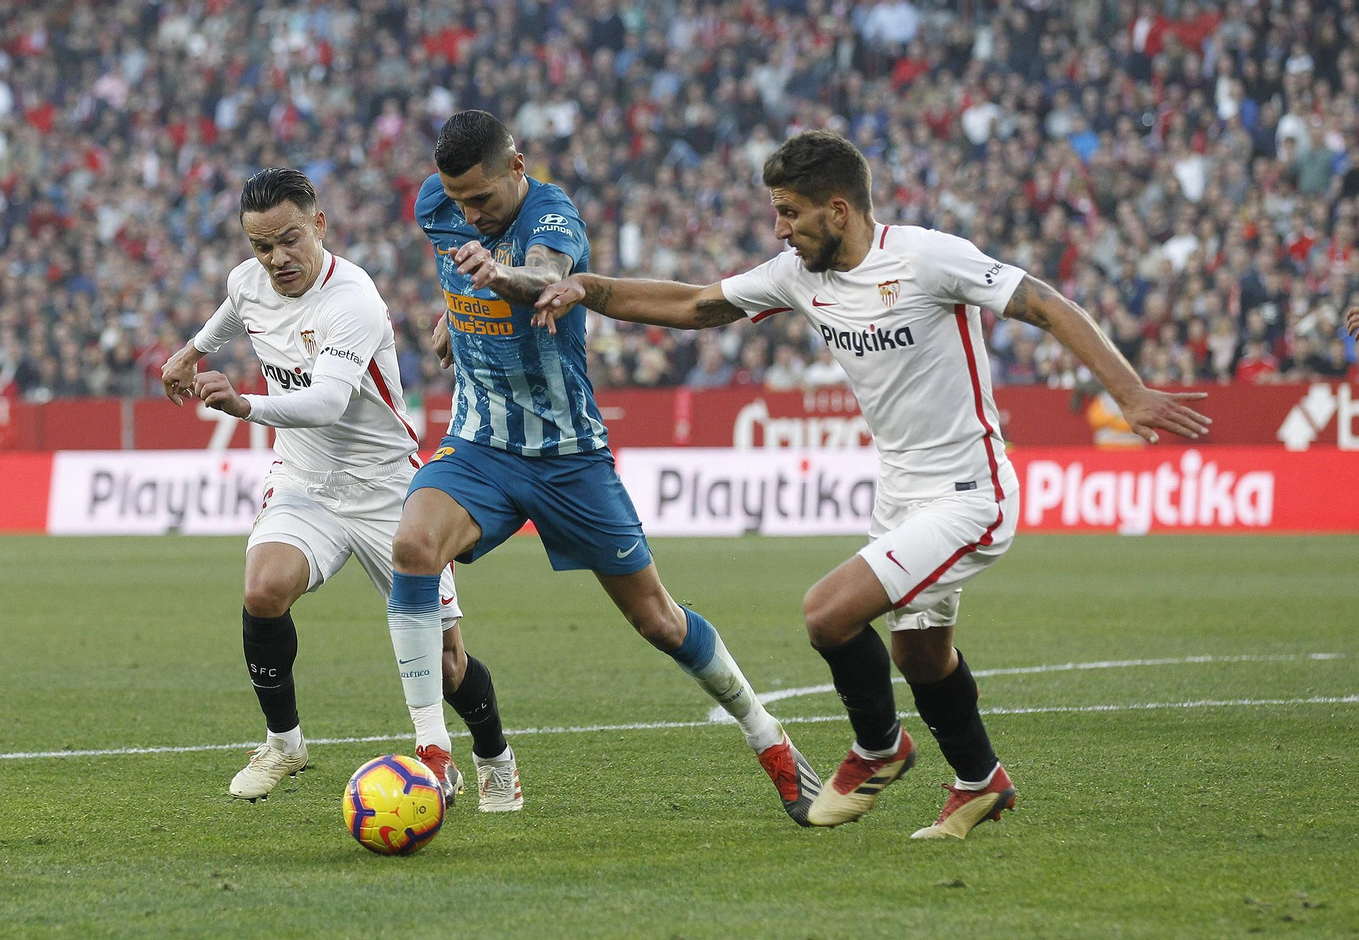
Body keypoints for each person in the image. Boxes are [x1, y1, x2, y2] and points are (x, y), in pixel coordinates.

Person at [535, 130, 1212, 838]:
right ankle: (981, 781)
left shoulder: (924, 257)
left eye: (790, 213)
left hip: (968, 491)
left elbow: (1041, 303)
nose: (780, 228)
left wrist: (1128, 392)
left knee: (828, 613)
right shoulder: (799, 275)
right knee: (918, 653)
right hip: (899, 493)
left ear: (837, 209)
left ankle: (880, 748)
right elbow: (699, 305)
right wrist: (591, 289)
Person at [392, 110, 821, 826]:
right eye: (457, 199)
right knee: (411, 545)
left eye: (483, 201)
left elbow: (545, 279)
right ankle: (433, 755)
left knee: (657, 619)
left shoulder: (552, 216)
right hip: (481, 445)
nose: (467, 212)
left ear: (517, 168)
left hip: (568, 459)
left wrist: (496, 276)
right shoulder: (437, 206)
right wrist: (452, 315)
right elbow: (453, 270)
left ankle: (769, 740)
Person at [159, 168, 521, 811]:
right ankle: (283, 742)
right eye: (261, 246)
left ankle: (493, 755)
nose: (276, 259)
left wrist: (246, 406)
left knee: (446, 662)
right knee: (263, 589)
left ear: (319, 224)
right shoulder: (249, 284)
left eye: (289, 240)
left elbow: (327, 401)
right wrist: (190, 351)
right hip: (305, 482)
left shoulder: (353, 298)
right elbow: (234, 310)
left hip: (387, 490)